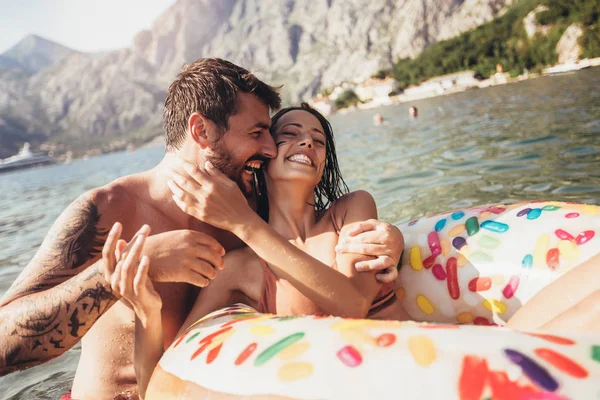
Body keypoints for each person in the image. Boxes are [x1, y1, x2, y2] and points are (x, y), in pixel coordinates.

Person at [0, 60, 403, 399]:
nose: (268, 147)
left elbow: (313, 243)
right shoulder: (108, 211)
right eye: (256, 132)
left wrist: (390, 239)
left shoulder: (248, 210)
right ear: (202, 131)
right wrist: (119, 272)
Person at [108, 103, 410, 395]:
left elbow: (353, 305)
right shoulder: (238, 269)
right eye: (290, 134)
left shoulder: (350, 210)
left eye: (318, 141)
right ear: (264, 158)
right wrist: (147, 312)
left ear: (321, 169)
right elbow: (161, 384)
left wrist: (244, 222)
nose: (307, 142)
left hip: (411, 362)